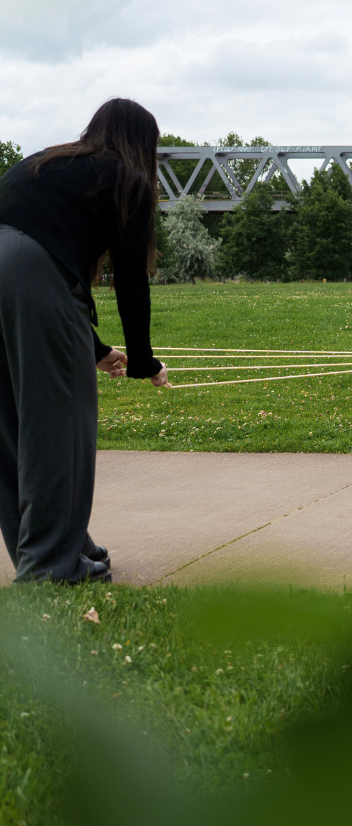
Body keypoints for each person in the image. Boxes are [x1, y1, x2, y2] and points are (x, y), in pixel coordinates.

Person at [0, 99, 169, 584]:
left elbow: (43, 249)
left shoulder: (49, 160)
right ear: (143, 143)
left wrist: (95, 351)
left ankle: (57, 550)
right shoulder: (125, 176)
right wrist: (141, 359)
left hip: (19, 266)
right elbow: (130, 280)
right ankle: (51, 568)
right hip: (31, 272)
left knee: (9, 427)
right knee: (58, 427)